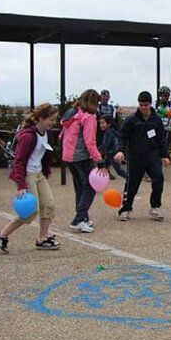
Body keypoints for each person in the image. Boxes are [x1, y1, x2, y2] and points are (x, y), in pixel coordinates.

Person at [0, 103, 60, 253]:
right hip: (28, 174)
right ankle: (2, 234)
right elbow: (19, 161)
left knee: (49, 205)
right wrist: (21, 185)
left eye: (54, 120)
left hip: (39, 174)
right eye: (50, 119)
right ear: (41, 118)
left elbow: (45, 155)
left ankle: (42, 238)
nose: (53, 123)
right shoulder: (28, 136)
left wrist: (46, 171)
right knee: (30, 211)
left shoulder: (47, 134)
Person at [113, 91, 171, 222]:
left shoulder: (156, 120)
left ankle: (155, 206)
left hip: (152, 155)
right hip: (135, 156)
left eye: (146, 105)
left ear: (150, 104)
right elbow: (122, 136)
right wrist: (120, 150)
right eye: (141, 105)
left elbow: (161, 139)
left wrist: (164, 155)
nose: (144, 107)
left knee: (158, 178)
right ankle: (126, 208)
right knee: (132, 183)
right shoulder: (131, 120)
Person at [61, 89, 107, 233]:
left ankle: (83, 217)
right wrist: (99, 161)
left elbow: (62, 135)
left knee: (79, 187)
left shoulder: (72, 115)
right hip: (81, 156)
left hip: (68, 155)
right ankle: (79, 219)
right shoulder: (89, 117)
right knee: (90, 187)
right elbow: (90, 142)